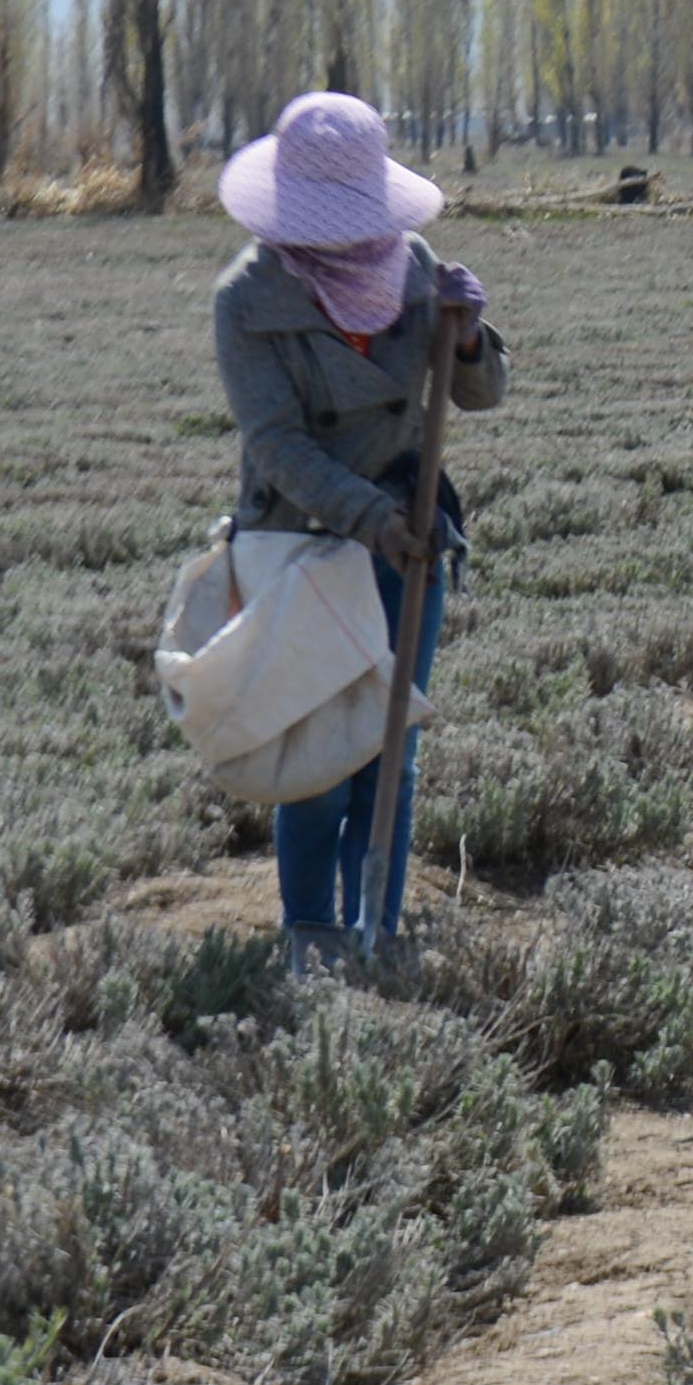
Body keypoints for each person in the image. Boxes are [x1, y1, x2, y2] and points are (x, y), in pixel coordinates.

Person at [211, 91, 508, 969]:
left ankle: (376, 928)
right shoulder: (246, 301)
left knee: (389, 750)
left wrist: (467, 338)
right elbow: (277, 448)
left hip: (410, 537)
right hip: (307, 542)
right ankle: (312, 932)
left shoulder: (412, 266)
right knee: (317, 753)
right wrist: (371, 518)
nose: (347, 237)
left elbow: (481, 397)